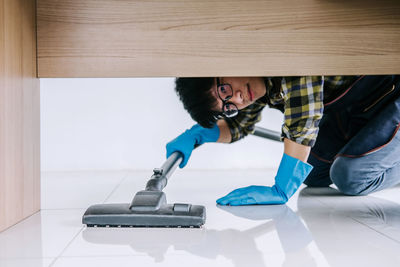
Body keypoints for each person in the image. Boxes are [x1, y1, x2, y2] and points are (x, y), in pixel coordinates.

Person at [166, 76, 400, 205]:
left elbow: (303, 122)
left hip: (394, 96)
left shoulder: (285, 59)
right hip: (365, 111)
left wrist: (282, 189)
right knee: (314, 172)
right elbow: (239, 125)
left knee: (350, 177)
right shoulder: (255, 85)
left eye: (225, 89)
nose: (237, 98)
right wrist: (198, 135)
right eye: (228, 106)